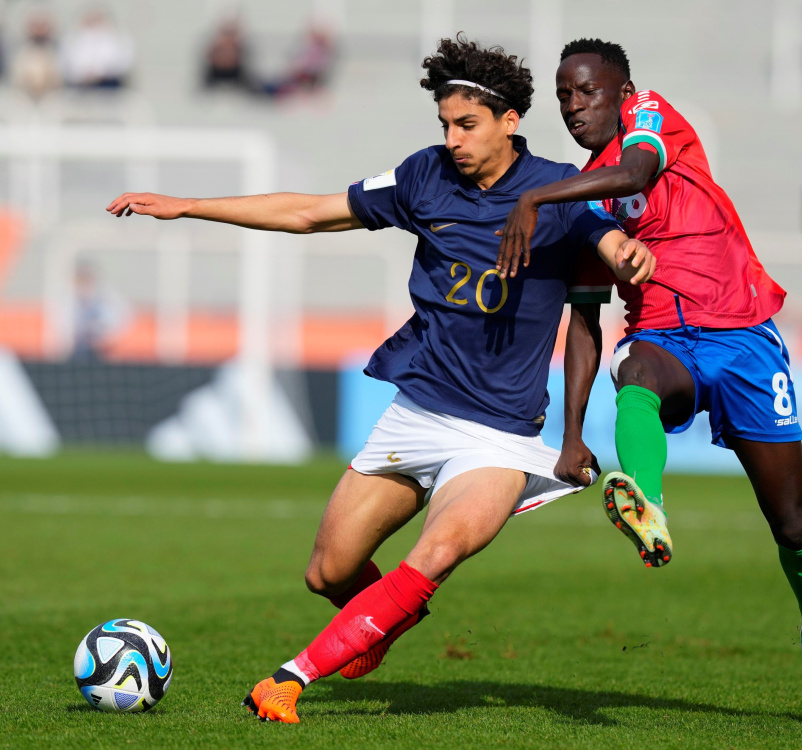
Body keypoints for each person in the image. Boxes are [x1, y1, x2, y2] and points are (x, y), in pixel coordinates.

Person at [106, 35, 655, 724]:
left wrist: (628, 254)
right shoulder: (424, 176)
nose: (453, 140)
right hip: (418, 413)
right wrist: (188, 205)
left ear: (510, 120)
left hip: (500, 437)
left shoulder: (557, 190)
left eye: (467, 125)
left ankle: (288, 681)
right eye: (445, 125)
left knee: (439, 549)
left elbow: (610, 243)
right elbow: (309, 212)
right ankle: (387, 615)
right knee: (329, 572)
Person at [496, 38, 802, 724]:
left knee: (792, 523)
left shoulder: (651, 119)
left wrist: (535, 194)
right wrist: (571, 435)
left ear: (624, 92)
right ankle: (648, 506)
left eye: (587, 91)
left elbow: (634, 172)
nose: (574, 106)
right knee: (633, 371)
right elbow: (584, 321)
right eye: (564, 96)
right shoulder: (584, 206)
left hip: (744, 337)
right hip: (664, 339)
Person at [60, 8, 133, 90]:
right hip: (81, 85)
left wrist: (100, 72)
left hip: (108, 83)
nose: (94, 25)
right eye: (91, 20)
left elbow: (121, 63)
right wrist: (85, 73)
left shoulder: (116, 40)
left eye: (97, 20)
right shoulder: (74, 40)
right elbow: (68, 65)